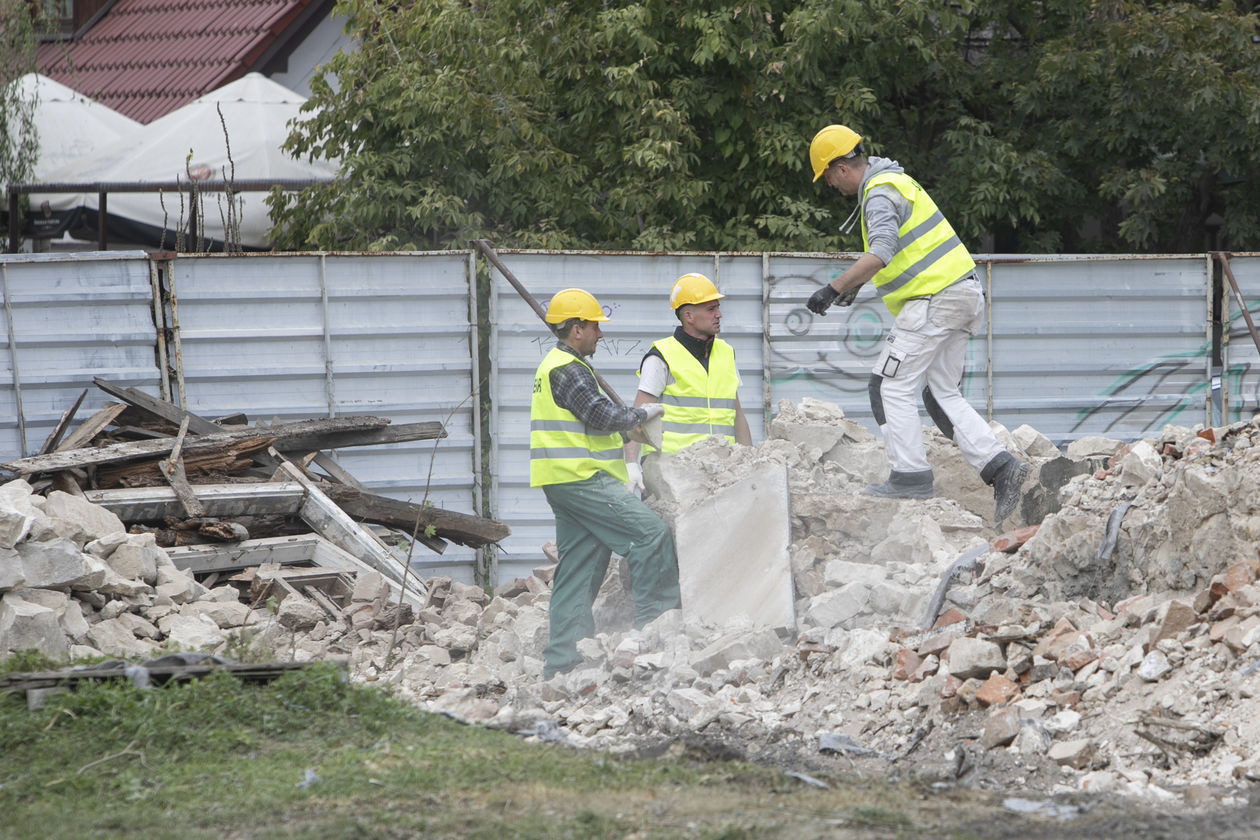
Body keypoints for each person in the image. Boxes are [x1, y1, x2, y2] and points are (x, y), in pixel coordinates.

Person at [805, 124, 1029, 524]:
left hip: (935, 301)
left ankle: (909, 476)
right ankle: (1001, 468)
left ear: (840, 168)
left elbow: (883, 251)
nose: (830, 187)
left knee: (888, 385)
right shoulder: (897, 183)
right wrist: (853, 287)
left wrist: (832, 288)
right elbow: (908, 253)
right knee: (942, 391)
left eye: (826, 178)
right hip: (961, 293)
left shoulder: (877, 192)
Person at [530, 287, 681, 678]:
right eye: (595, 326)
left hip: (562, 479)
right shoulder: (568, 370)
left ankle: (563, 660)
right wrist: (641, 414)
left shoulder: (558, 365)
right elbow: (601, 416)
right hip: (582, 479)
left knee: (579, 567)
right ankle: (654, 632)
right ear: (577, 329)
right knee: (650, 535)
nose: (600, 334)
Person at [623, 273, 752, 494]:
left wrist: (749, 459)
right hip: (672, 473)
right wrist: (631, 464)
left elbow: (737, 414)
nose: (719, 314)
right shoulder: (661, 356)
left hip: (722, 471)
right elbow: (638, 415)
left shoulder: (726, 353)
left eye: (717, 308)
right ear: (689, 316)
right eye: (711, 309)